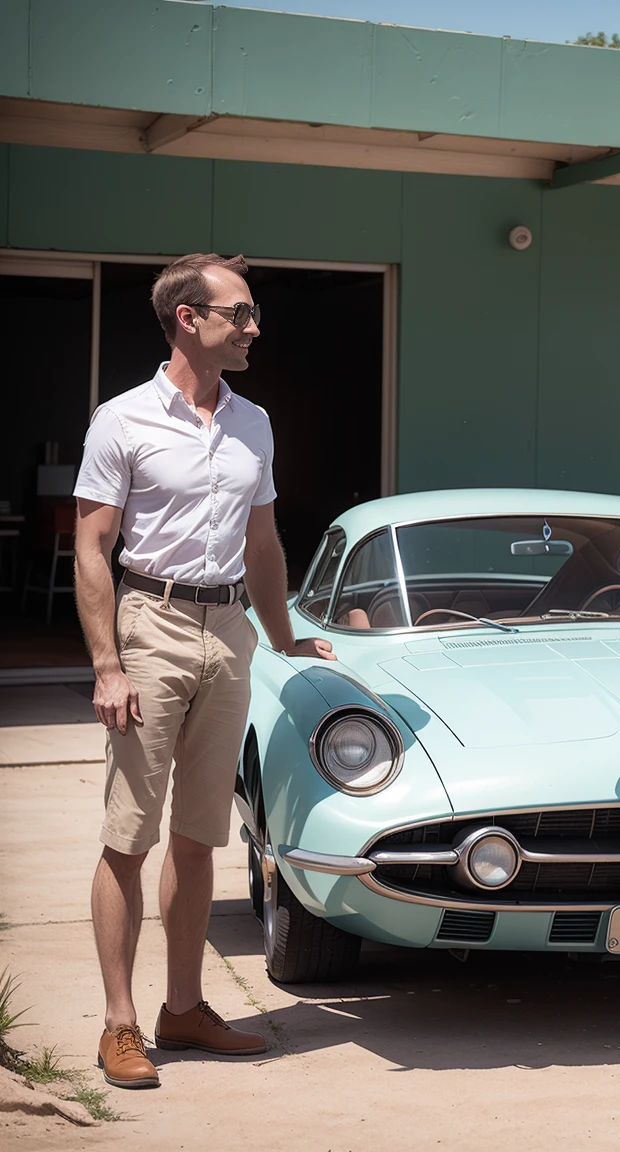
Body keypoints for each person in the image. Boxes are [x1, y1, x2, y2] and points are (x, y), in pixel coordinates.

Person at [73, 253, 336, 1090]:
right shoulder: (122, 419)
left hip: (230, 628)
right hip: (149, 621)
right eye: (241, 313)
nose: (255, 326)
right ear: (190, 318)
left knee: (200, 836)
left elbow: (262, 544)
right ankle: (119, 1023)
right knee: (129, 835)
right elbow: (92, 544)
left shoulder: (253, 421)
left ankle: (182, 1009)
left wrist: (283, 634)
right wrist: (108, 664)